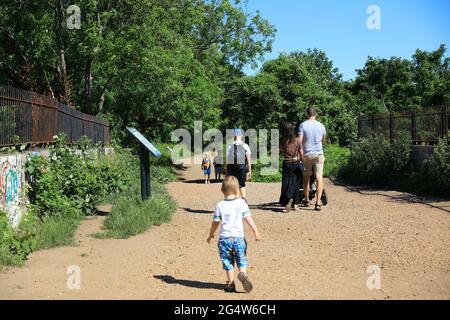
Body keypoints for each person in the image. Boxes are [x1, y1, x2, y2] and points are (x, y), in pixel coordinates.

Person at [207, 176, 261, 293]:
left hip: (225, 239)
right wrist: (255, 231)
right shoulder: (241, 203)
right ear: (237, 191)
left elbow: (215, 222)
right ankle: (243, 273)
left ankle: (231, 283)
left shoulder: (220, 205)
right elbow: (248, 218)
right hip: (239, 239)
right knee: (241, 258)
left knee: (227, 261)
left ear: (222, 191)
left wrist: (211, 234)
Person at [298, 106, 326, 211]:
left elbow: (300, 141)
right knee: (319, 177)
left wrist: (301, 152)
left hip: (307, 155)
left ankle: (306, 200)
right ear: (316, 114)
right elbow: (323, 141)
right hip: (318, 154)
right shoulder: (321, 126)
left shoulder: (303, 125)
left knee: (306, 177)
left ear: (307, 114)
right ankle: (318, 203)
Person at [279, 122, 302, 212]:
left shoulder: (283, 140)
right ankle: (296, 204)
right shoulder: (298, 140)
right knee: (295, 182)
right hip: (296, 162)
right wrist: (302, 160)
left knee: (286, 182)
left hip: (286, 162)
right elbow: (301, 152)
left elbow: (281, 150)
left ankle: (288, 200)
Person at [225, 129, 252, 202]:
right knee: (242, 184)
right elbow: (249, 161)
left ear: (234, 136)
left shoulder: (230, 146)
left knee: (232, 185)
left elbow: (227, 161)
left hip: (231, 169)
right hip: (242, 168)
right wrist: (249, 171)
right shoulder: (245, 146)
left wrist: (226, 171)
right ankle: (243, 198)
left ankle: (233, 200)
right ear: (241, 135)